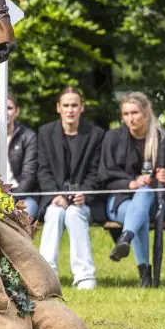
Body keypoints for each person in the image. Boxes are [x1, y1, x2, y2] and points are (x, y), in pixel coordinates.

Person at [99, 91, 165, 287]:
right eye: (126, 114)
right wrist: (129, 183)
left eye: (135, 113)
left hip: (155, 204)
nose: (130, 118)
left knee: (145, 194)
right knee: (139, 215)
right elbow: (105, 178)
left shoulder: (163, 139)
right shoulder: (112, 138)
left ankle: (126, 238)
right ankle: (145, 277)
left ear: (147, 111)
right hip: (120, 201)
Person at [36, 87, 106, 290]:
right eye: (66, 105)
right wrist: (54, 195)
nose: (70, 110)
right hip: (54, 197)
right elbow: (43, 170)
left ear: (81, 108)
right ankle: (46, 275)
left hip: (83, 199)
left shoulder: (95, 134)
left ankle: (85, 277)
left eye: (74, 105)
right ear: (58, 108)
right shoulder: (46, 132)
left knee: (74, 214)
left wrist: (84, 192)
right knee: (55, 213)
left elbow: (95, 172)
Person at [0, 94, 39, 218]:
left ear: (17, 111)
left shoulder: (28, 137)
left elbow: (29, 177)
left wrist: (10, 199)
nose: (4, 113)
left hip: (21, 196)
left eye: (8, 108)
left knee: (22, 219)